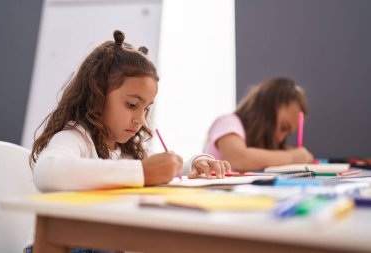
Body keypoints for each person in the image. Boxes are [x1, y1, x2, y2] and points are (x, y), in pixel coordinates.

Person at [25, 29, 231, 253]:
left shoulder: (127, 150)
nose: (140, 120)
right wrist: (142, 172)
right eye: (132, 105)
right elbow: (47, 172)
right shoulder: (77, 137)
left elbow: (160, 167)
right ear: (98, 94)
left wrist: (194, 163)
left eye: (146, 109)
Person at [204, 77, 314, 172]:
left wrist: (300, 155)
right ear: (268, 108)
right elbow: (240, 159)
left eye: (287, 134)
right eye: (283, 127)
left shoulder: (262, 145)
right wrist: (293, 157)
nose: (280, 139)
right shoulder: (227, 122)